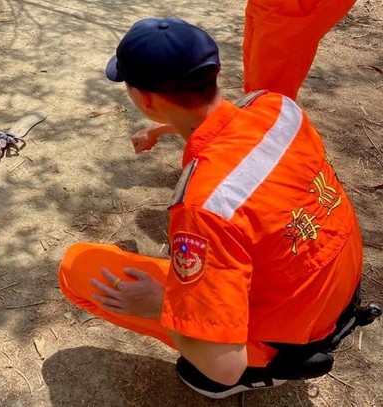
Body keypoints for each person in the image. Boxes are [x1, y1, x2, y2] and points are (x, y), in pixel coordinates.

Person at [57, 17, 378, 399]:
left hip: (286, 341)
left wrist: (160, 304)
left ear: (144, 99)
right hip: (335, 295)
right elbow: (228, 120)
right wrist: (164, 129)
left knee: (77, 268)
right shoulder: (278, 109)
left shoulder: (205, 207)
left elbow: (224, 366)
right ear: (215, 72)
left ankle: (264, 371)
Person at [133, 0, 357, 154]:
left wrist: (160, 128)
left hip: (292, 7)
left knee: (266, 110)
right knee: (257, 98)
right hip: (272, 5)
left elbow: (260, 123)